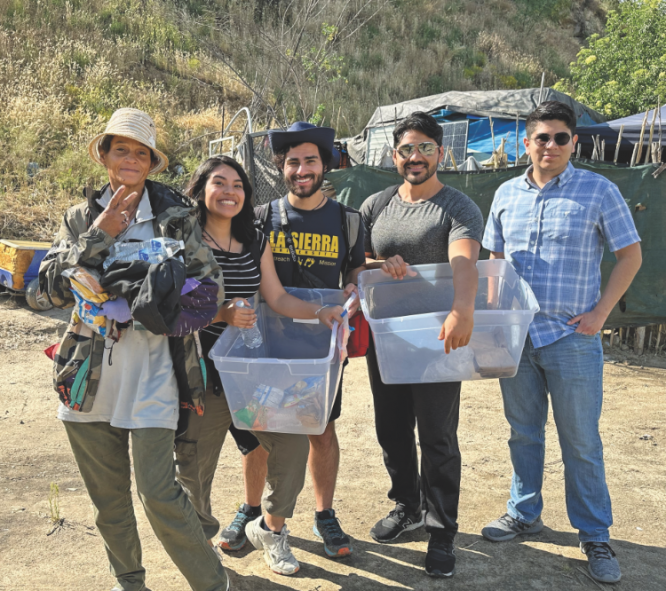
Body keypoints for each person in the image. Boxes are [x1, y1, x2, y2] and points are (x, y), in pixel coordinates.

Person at [38, 108, 230, 591]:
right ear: (104, 155)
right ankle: (130, 582)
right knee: (108, 497)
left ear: (151, 163)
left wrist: (153, 301)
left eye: (140, 152)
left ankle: (213, 583)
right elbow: (48, 291)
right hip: (90, 371)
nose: (129, 158)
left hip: (154, 370)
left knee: (159, 491)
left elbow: (211, 290)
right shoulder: (81, 215)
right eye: (120, 148)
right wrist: (101, 232)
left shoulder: (175, 216)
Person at [481, 101, 642, 584]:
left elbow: (630, 255)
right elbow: (495, 257)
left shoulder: (599, 190)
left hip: (572, 337)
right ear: (526, 143)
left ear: (575, 142)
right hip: (518, 338)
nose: (550, 146)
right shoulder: (507, 193)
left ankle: (594, 534)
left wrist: (600, 313)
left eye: (560, 137)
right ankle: (524, 512)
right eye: (542, 138)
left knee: (581, 441)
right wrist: (494, 319)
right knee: (523, 432)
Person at [175, 155, 345, 576]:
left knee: (290, 443)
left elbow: (277, 298)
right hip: (203, 376)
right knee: (195, 466)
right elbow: (168, 307)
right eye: (219, 182)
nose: (230, 191)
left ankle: (270, 527)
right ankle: (199, 544)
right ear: (199, 190)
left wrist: (317, 313)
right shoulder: (182, 240)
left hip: (250, 372)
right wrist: (222, 315)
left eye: (238, 185)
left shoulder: (254, 240)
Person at [216, 122, 365, 559]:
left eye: (310, 161)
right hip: (265, 343)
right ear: (282, 167)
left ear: (326, 165)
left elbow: (353, 269)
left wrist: (356, 286)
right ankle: (250, 508)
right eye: (293, 162)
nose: (302, 169)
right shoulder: (260, 217)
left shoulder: (348, 220)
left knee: (320, 430)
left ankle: (324, 514)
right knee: (259, 427)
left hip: (321, 349)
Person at [359, 111, 483, 578]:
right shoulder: (376, 204)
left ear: (440, 153)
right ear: (395, 157)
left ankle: (442, 529)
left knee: (436, 436)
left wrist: (462, 310)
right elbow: (357, 263)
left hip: (437, 339)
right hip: (386, 337)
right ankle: (407, 505)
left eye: (425, 148)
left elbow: (464, 261)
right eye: (407, 150)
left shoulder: (457, 207)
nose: (416, 157)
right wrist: (378, 262)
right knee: (391, 430)